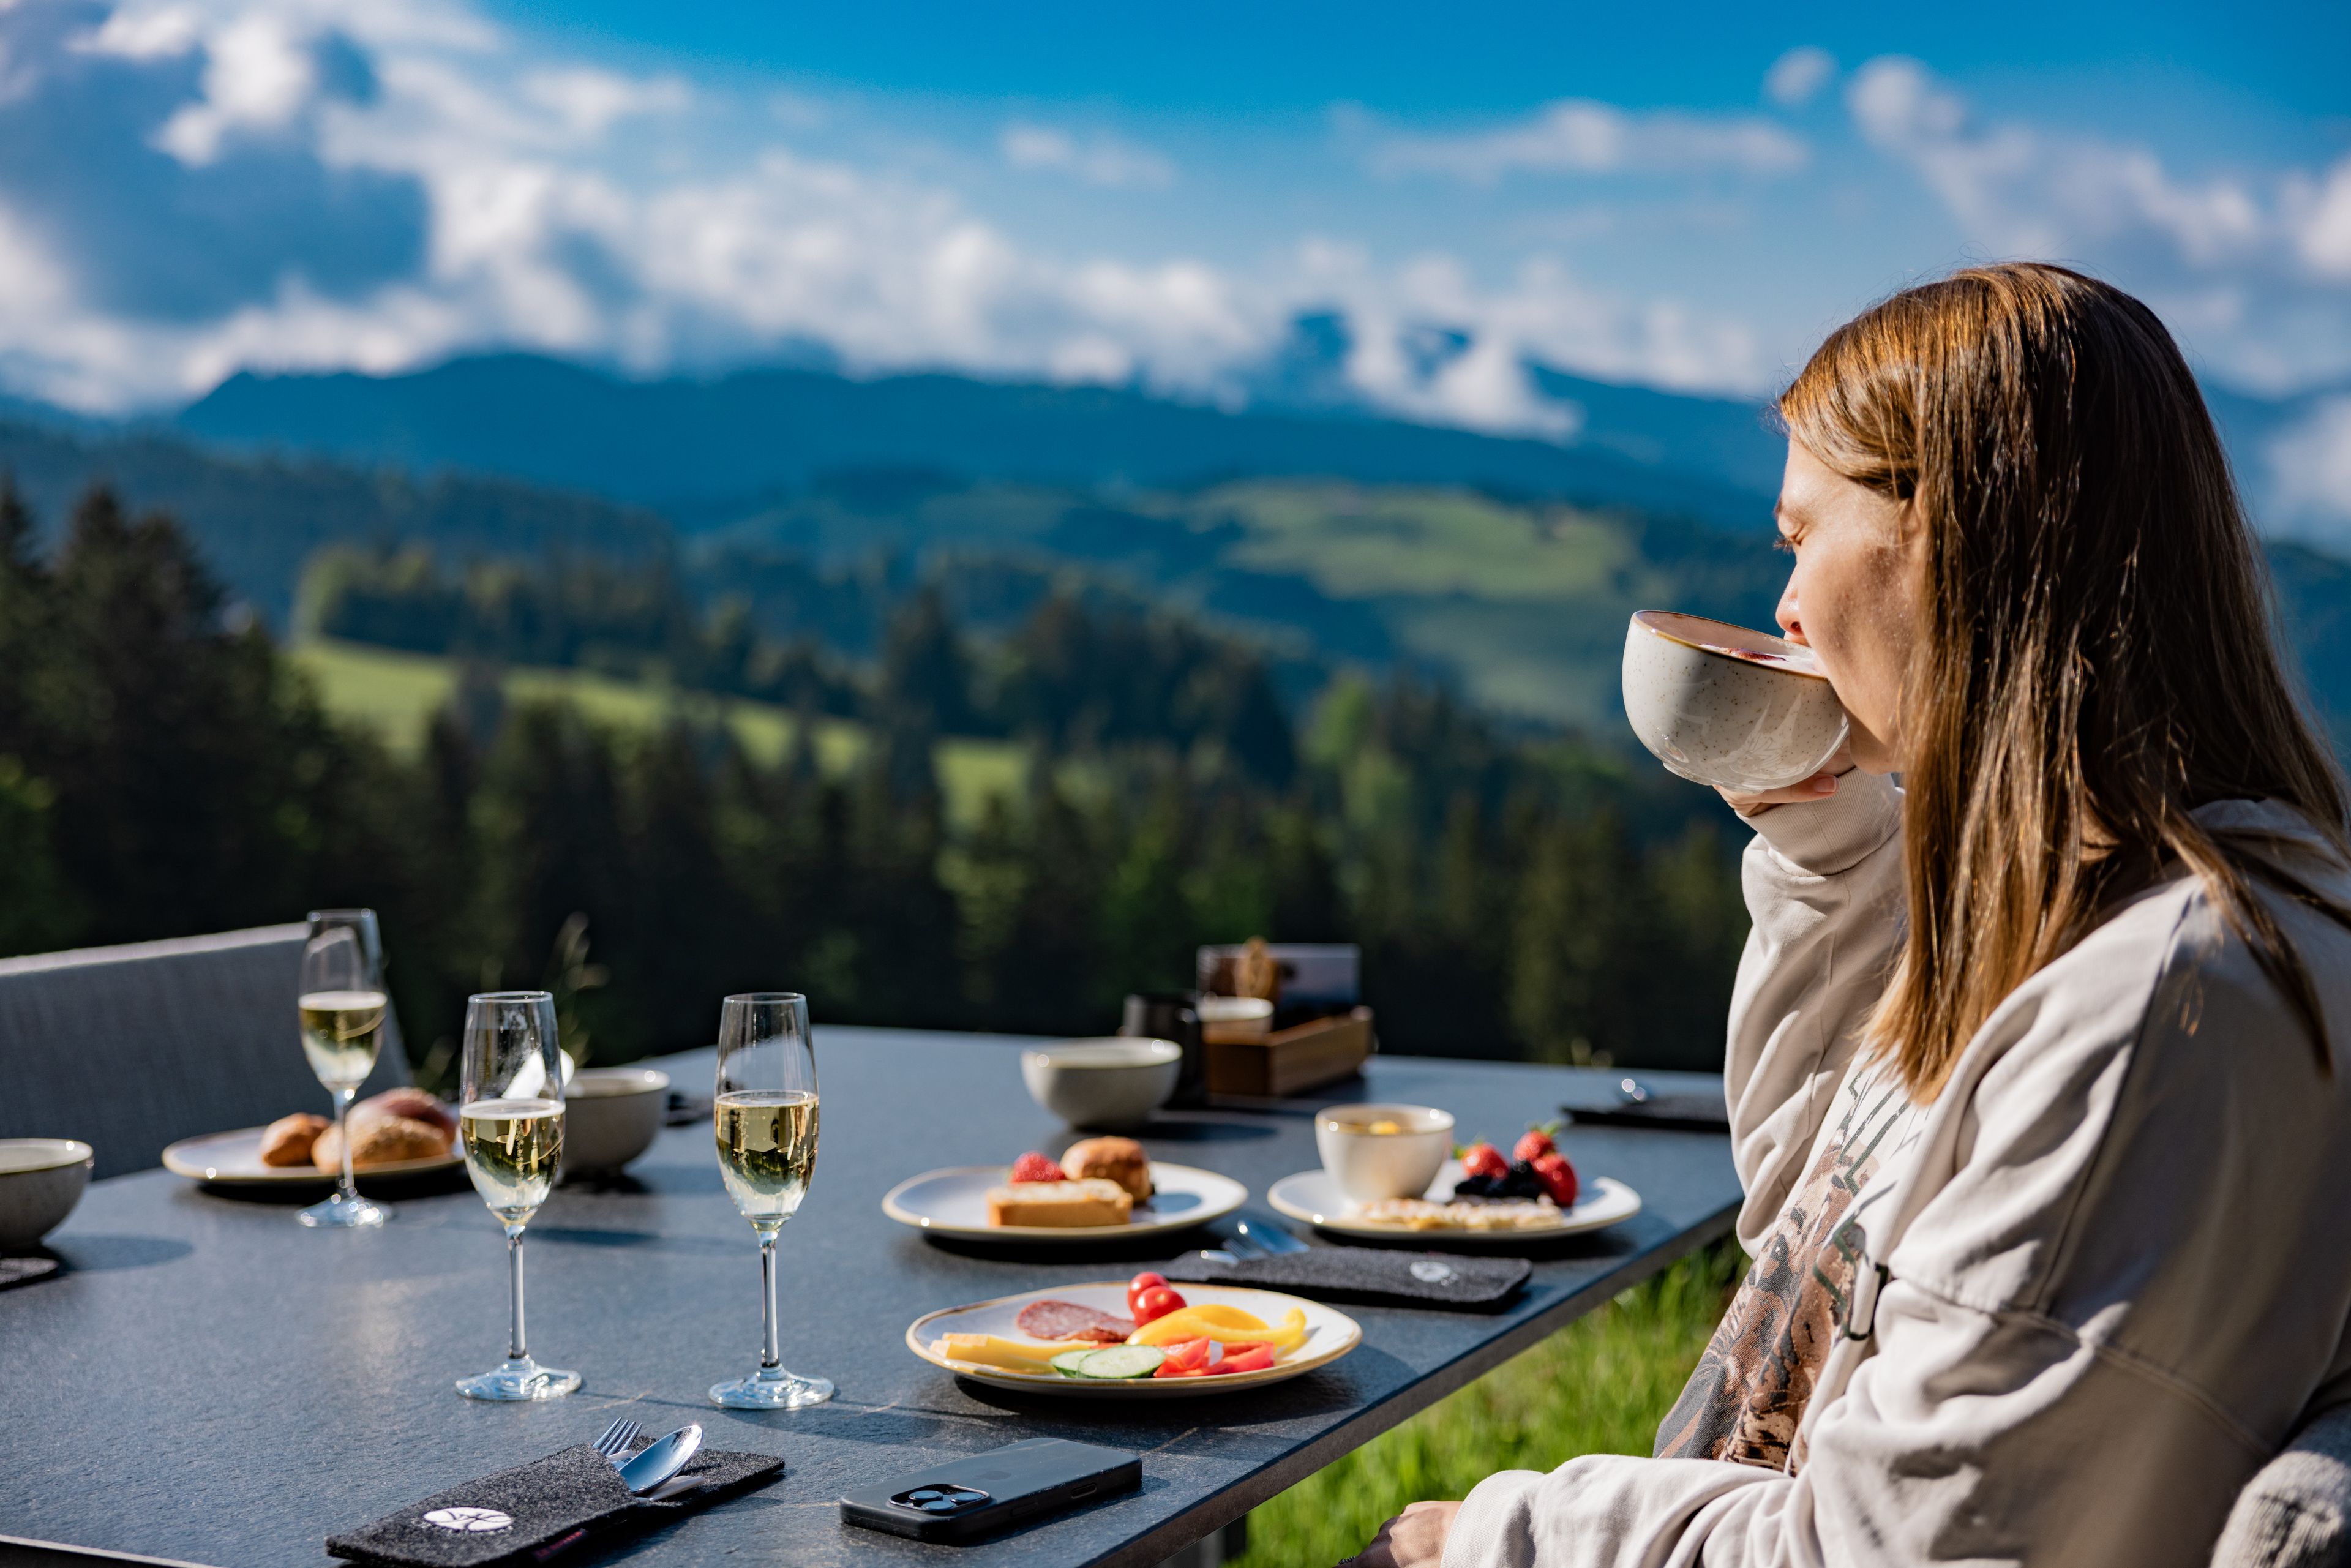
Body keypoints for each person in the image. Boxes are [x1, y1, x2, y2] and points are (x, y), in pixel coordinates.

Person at [1350, 263, 2351, 1567]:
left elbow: (1881, 1551)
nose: (1785, 608)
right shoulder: (2096, 915)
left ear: (1953, 532)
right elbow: (1816, 1251)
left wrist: (1503, 1537)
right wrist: (1832, 851)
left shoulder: (2161, 1007)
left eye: (1800, 538)